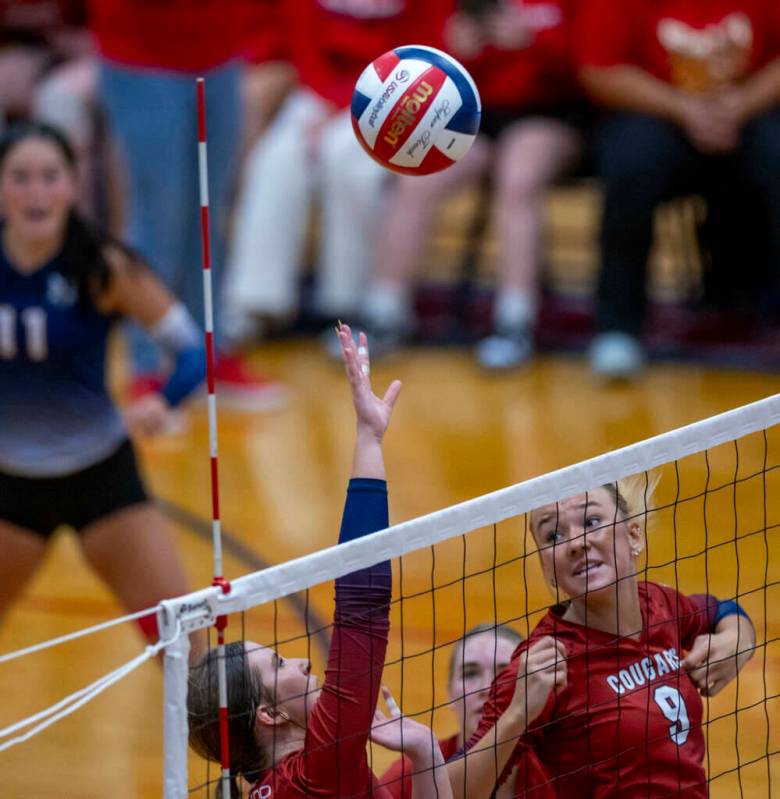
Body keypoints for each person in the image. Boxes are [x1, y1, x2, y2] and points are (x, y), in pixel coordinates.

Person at [188, 324, 454, 799]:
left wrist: (424, 751)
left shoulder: (284, 785)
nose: (302, 663)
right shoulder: (319, 772)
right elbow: (362, 608)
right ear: (270, 716)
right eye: (277, 664)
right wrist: (369, 441)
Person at [0, 122, 205, 651]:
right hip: (8, 490)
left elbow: (192, 350)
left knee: (186, 647)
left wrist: (162, 400)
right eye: (20, 177)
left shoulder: (103, 267)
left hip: (102, 482)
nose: (36, 192)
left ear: (72, 185)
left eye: (50, 177)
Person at [446, 476, 757, 797]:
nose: (575, 543)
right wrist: (517, 715)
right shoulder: (545, 662)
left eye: (591, 521)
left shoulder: (660, 605)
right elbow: (449, 793)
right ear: (547, 569)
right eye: (553, 535)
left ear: (633, 535)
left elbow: (719, 610)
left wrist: (739, 639)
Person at [361, 0, 588, 369]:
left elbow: (594, 66)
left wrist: (534, 42)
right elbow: (416, 66)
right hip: (475, 114)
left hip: (552, 113)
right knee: (414, 178)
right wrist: (453, 52)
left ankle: (515, 321)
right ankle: (386, 312)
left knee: (517, 177)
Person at [90, 0, 285, 411]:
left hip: (219, 51)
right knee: (155, 214)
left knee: (210, 211)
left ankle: (210, 357)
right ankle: (149, 367)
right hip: (142, 55)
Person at [222, 0, 448, 351]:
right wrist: (326, 98)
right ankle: (256, 301)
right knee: (277, 158)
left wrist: (348, 106)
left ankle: (348, 306)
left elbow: (423, 54)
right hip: (317, 90)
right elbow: (302, 43)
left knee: (346, 160)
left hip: (396, 99)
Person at [576, 0, 780, 379]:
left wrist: (741, 105)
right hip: (660, 114)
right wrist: (685, 109)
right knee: (630, 162)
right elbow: (600, 71)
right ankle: (617, 329)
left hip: (751, 112)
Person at [380, 623, 523, 798]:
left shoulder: (554, 764)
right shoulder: (411, 773)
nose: (487, 688)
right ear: (450, 694)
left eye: (505, 673)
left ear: (528, 686)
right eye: (470, 673)